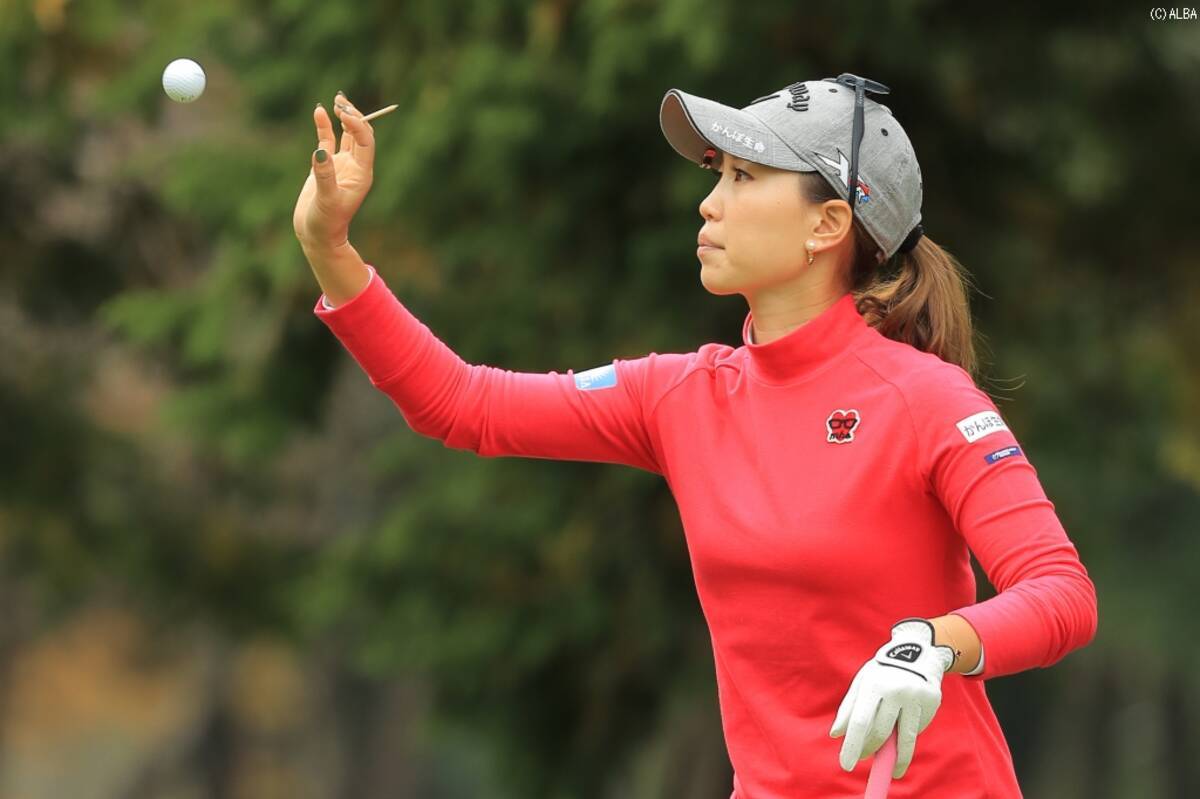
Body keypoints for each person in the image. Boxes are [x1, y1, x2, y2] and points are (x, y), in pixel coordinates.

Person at [293, 77, 1098, 798]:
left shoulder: (927, 400)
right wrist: (330, 249)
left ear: (827, 224)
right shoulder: (682, 395)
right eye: (717, 175)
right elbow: (464, 404)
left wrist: (935, 643)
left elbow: (1060, 591)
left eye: (744, 177)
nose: (709, 204)